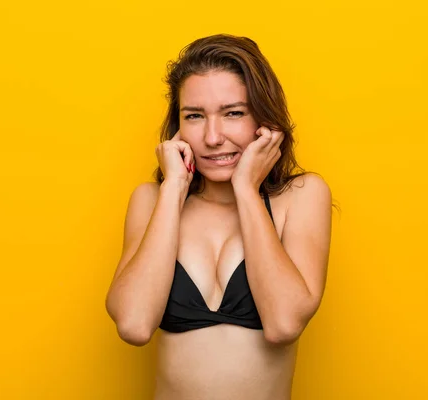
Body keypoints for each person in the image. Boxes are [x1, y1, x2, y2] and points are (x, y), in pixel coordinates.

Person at [106, 33, 334, 400]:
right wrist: (175, 186)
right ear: (177, 127)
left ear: (263, 118)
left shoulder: (302, 197)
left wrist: (246, 188)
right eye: (194, 116)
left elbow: (284, 323)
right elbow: (133, 325)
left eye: (233, 113)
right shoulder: (152, 201)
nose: (212, 137)